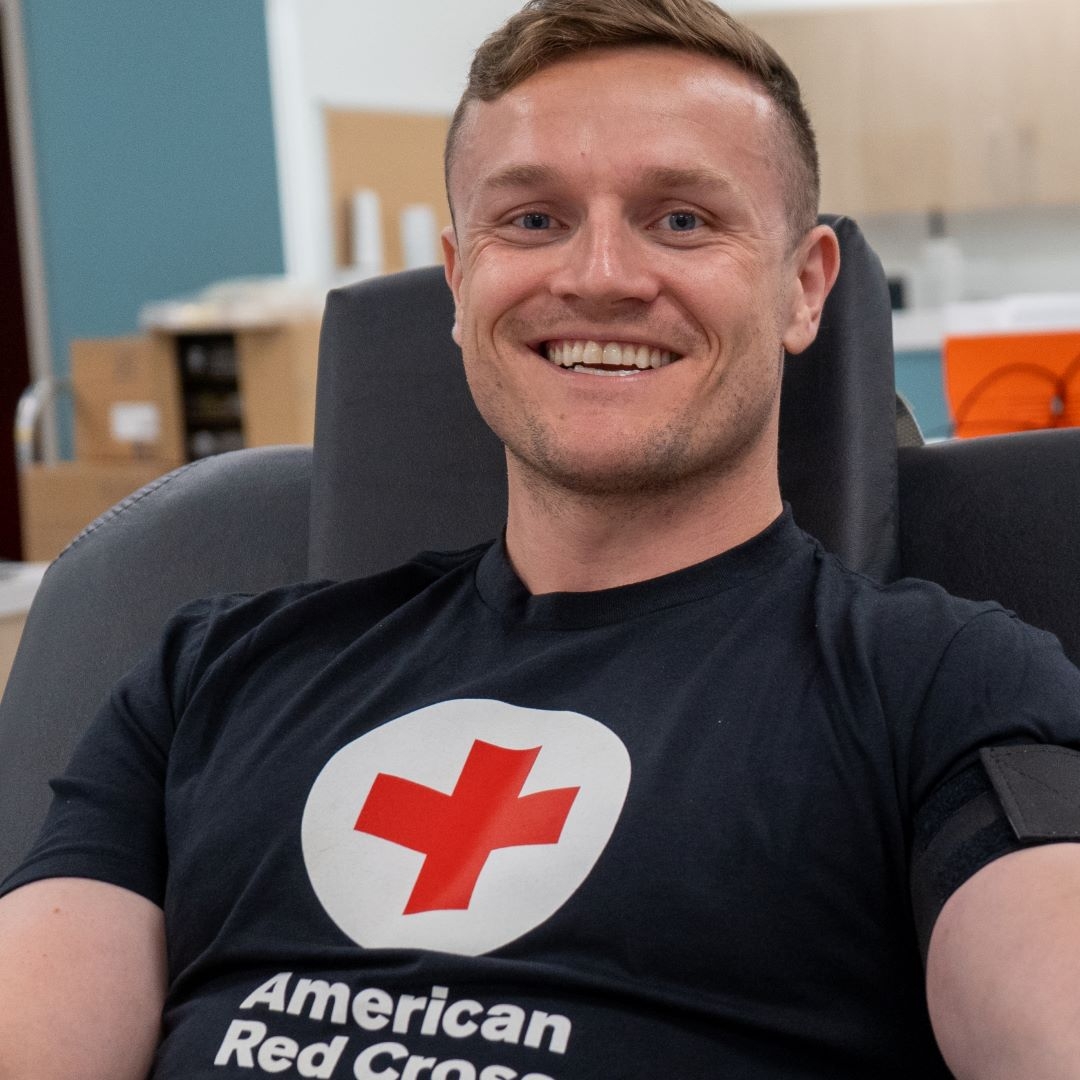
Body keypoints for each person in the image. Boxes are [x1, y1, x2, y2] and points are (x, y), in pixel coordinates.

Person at [2, 0, 1080, 1077]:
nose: (599, 274)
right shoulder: (208, 679)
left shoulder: (947, 688)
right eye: (531, 220)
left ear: (803, 288)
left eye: (681, 220)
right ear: (460, 282)